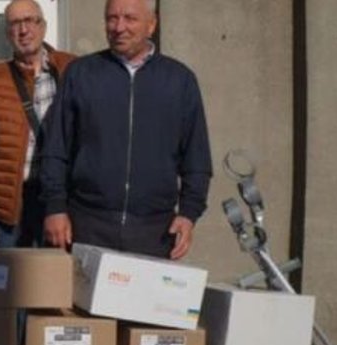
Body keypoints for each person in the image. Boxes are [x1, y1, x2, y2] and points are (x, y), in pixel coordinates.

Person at [39, 0, 212, 259]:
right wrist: (55, 207)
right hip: (86, 225)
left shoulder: (179, 81)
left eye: (130, 18)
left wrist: (189, 213)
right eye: (112, 18)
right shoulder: (81, 74)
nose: (119, 27)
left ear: (151, 25)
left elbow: (196, 158)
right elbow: (56, 147)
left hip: (154, 230)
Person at [0, 0, 74, 248]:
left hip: (59, 200)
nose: (23, 30)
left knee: (53, 270)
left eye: (30, 21)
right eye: (15, 23)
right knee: (7, 272)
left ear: (43, 26)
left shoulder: (71, 68)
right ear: (7, 33)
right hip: (7, 205)